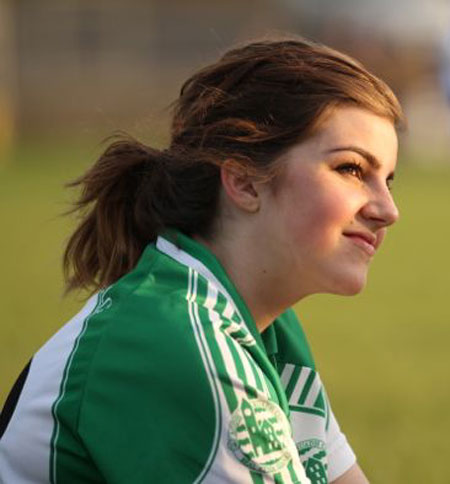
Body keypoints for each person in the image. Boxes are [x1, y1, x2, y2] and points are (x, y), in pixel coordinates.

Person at [0, 36, 404, 484]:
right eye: (351, 169)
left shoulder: (267, 327)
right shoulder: (176, 337)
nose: (388, 209)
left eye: (387, 179)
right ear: (245, 181)